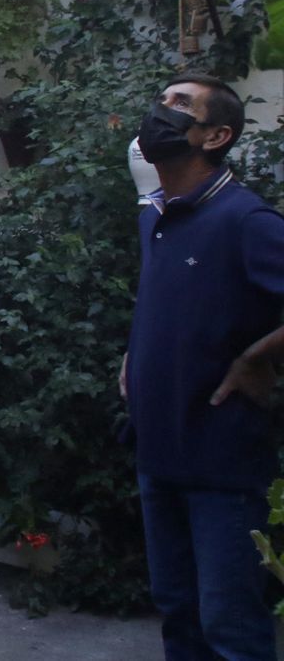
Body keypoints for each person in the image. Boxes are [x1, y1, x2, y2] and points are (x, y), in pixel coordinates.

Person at [123, 74, 283, 660]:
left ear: (216, 135)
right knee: (179, 617)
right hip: (159, 457)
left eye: (180, 104)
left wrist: (257, 356)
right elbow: (175, 301)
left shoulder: (246, 221)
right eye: (160, 99)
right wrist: (135, 351)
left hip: (223, 469)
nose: (161, 111)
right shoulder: (162, 216)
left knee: (231, 629)